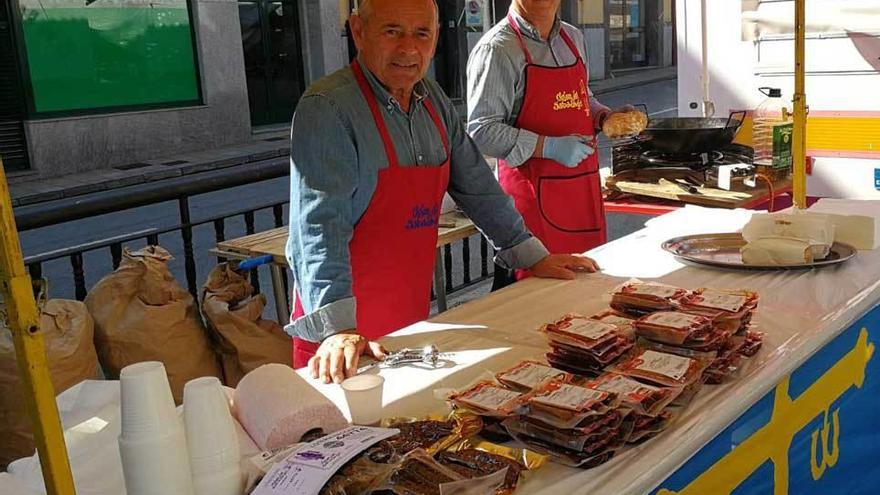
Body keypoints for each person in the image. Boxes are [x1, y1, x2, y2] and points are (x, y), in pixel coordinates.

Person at [286, 0, 600, 384]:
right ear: (357, 31)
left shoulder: (432, 100)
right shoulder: (328, 108)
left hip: (408, 319)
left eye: (422, 33)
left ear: (436, 38)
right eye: (391, 31)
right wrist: (335, 328)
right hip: (341, 338)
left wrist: (532, 256)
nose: (408, 48)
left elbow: (478, 188)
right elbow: (319, 226)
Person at [467, 0, 634, 287]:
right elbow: (481, 130)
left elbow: (583, 96)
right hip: (532, 208)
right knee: (536, 309)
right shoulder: (498, 48)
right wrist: (547, 146)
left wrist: (603, 117)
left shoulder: (573, 38)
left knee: (588, 298)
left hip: (582, 196)